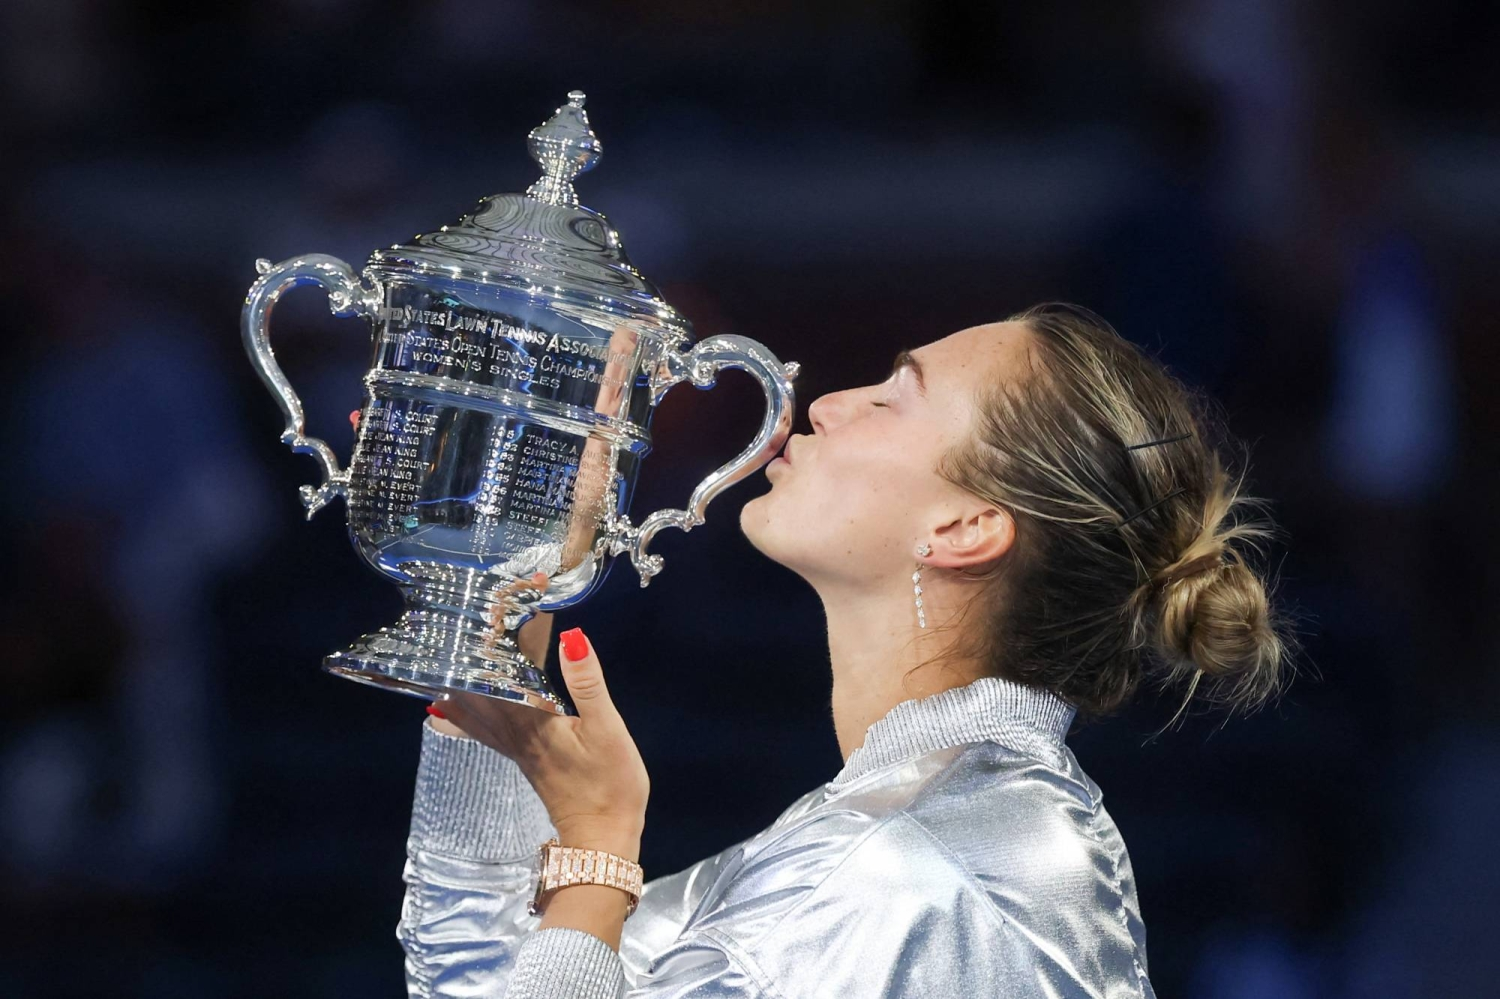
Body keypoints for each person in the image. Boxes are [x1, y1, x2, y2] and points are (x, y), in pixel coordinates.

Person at [394, 302, 1298, 998]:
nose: (825, 403)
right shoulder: (914, 831)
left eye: (891, 398)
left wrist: (598, 846)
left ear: (966, 526)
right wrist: (501, 602)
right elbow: (489, 978)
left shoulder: (906, 866)